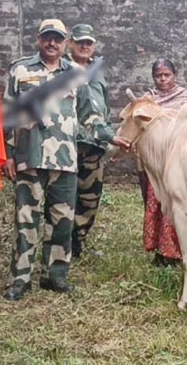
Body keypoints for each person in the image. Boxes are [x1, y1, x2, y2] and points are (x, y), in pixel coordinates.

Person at [0, 19, 126, 301]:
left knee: (62, 221)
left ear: (65, 42)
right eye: (47, 37)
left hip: (65, 160)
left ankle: (54, 276)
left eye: (57, 38)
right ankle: (19, 279)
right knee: (26, 220)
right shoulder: (21, 69)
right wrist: (6, 154)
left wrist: (110, 137)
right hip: (29, 157)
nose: (52, 43)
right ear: (38, 39)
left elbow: (89, 115)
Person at [140, 59, 187, 265]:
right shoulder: (147, 101)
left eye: (167, 75)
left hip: (180, 161)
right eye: (158, 76)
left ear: (175, 75)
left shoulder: (186, 99)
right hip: (157, 162)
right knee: (159, 204)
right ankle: (164, 252)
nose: (163, 79)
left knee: (181, 203)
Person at [65, 23, 113, 258]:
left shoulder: (97, 71)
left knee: (90, 196)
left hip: (94, 146)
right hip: (68, 144)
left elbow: (105, 105)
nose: (85, 46)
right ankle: (60, 245)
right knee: (65, 196)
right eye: (80, 41)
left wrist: (108, 137)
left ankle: (79, 241)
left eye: (89, 43)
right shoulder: (62, 69)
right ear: (70, 43)